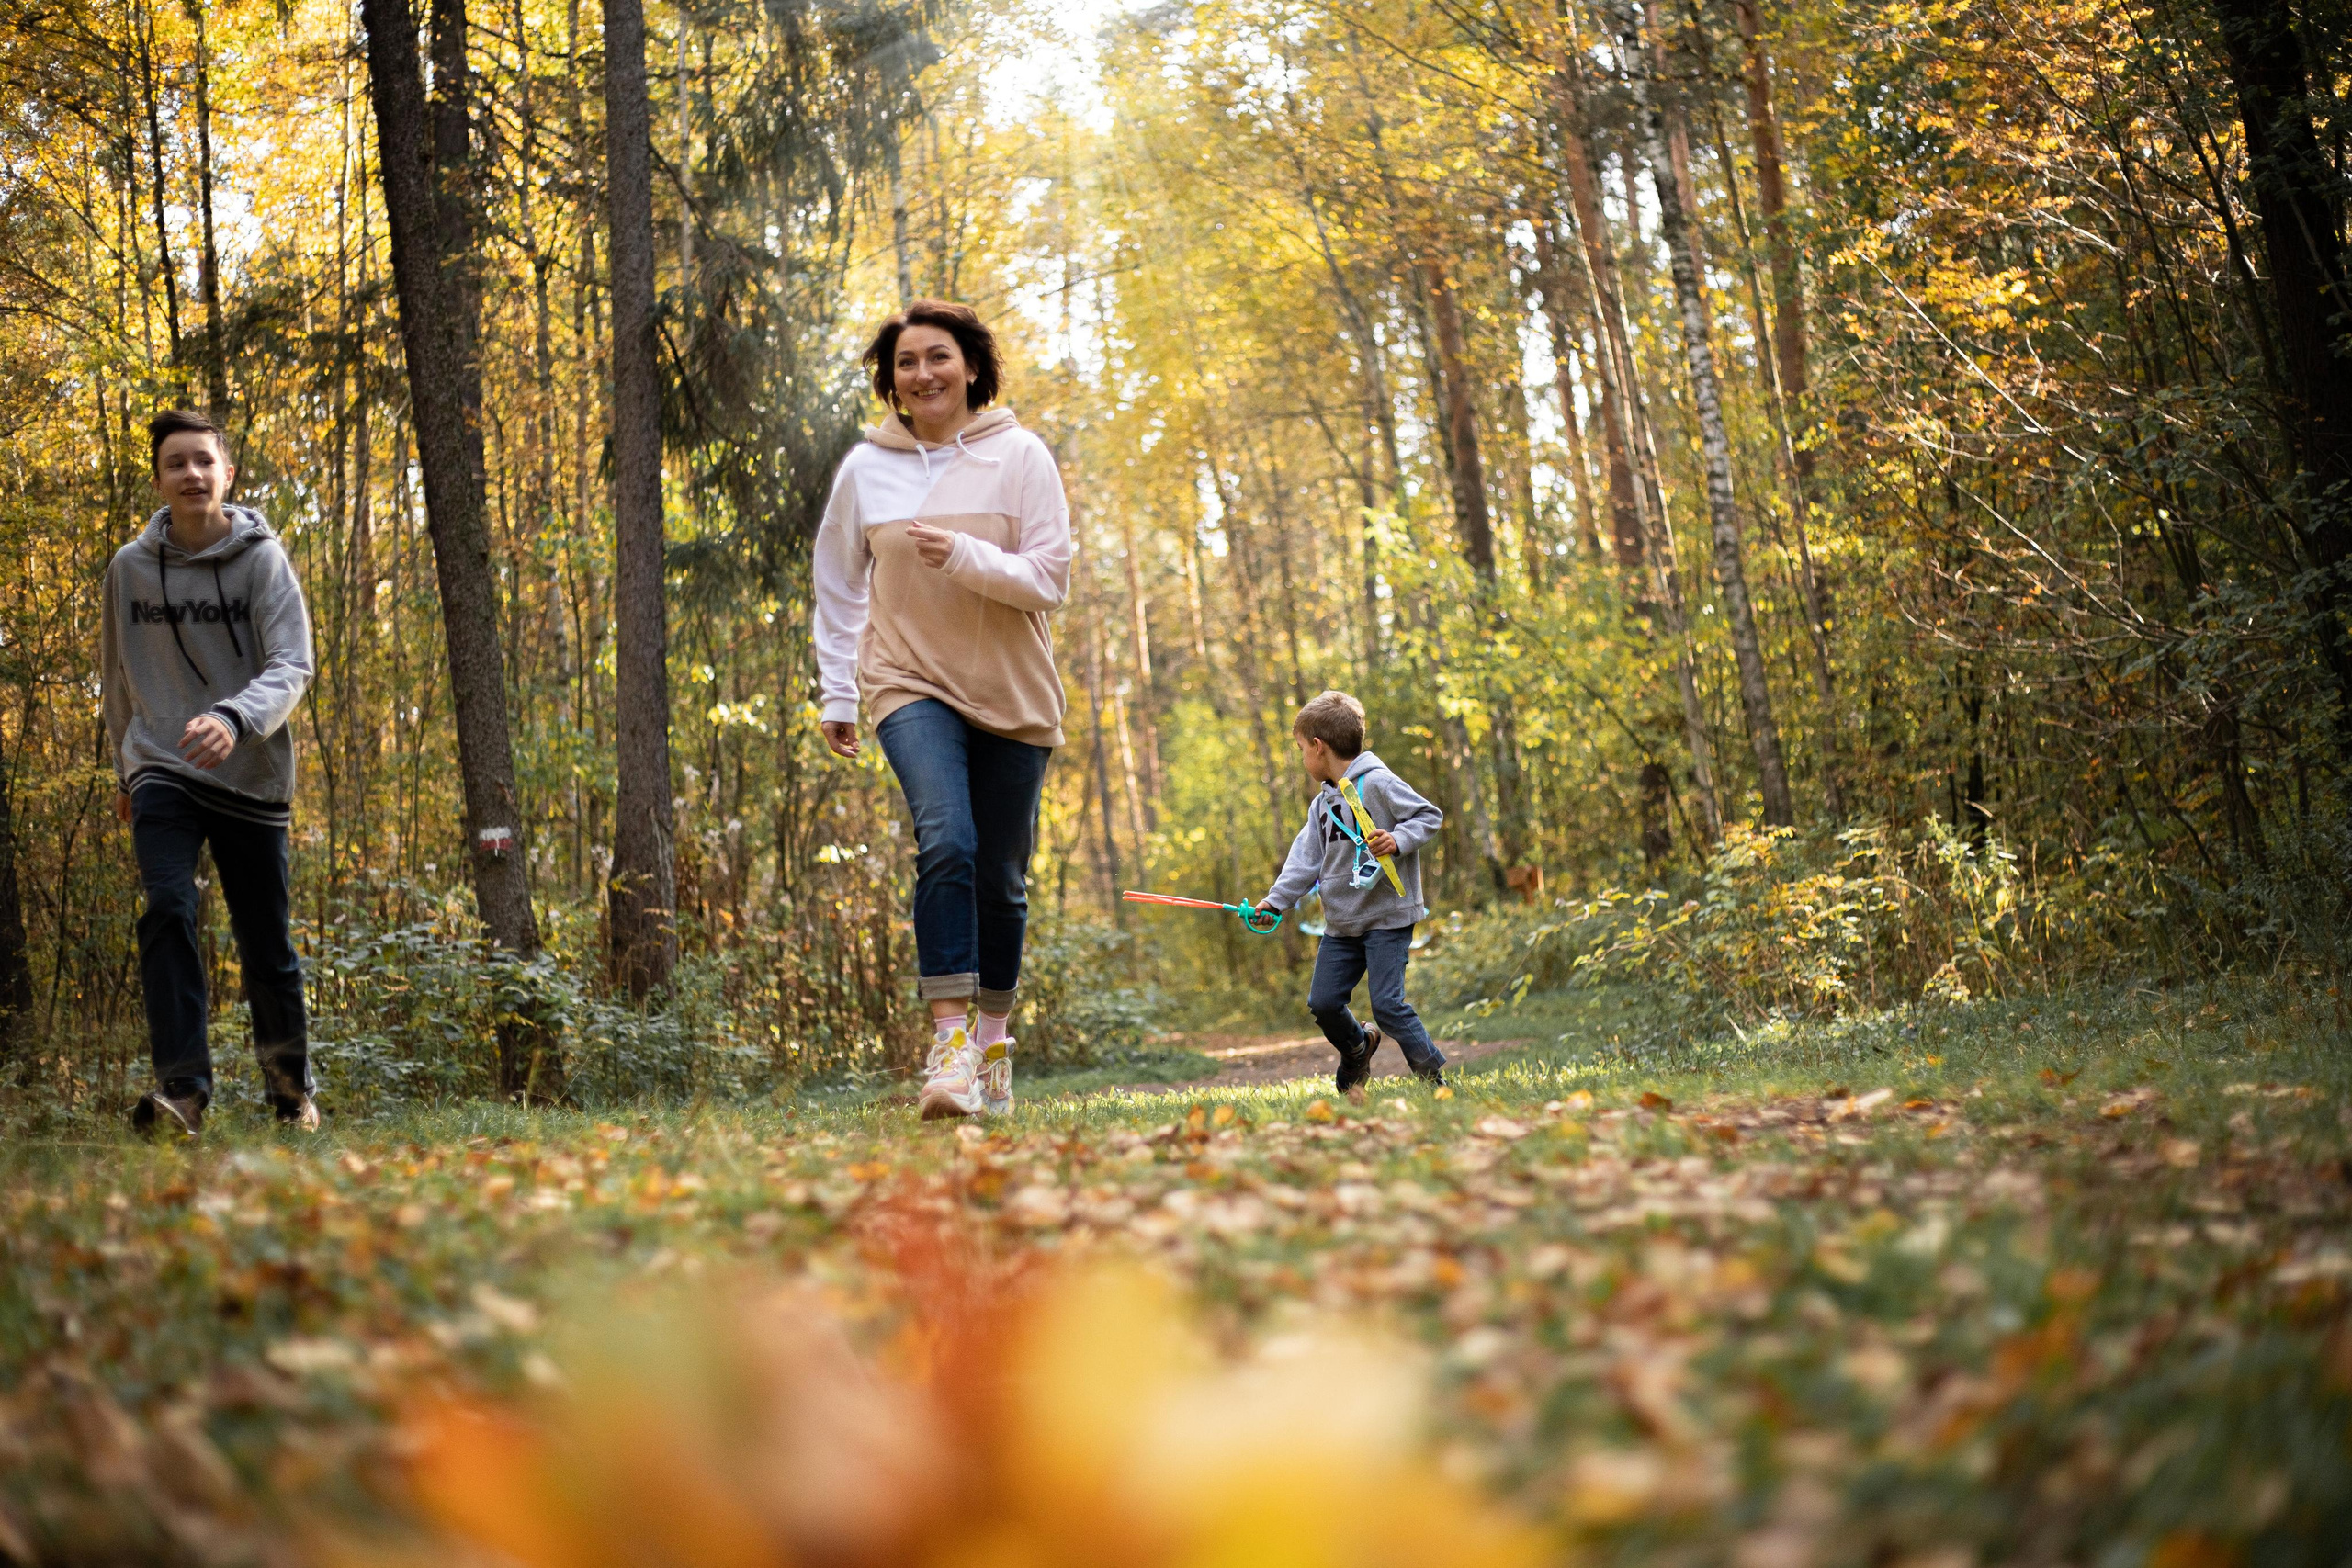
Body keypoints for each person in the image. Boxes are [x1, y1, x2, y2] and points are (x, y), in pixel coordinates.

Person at [811, 301, 1071, 1120]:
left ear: (972, 367)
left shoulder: (1020, 455)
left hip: (1010, 688)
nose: (922, 373)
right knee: (948, 840)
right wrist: (839, 690)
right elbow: (838, 585)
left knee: (1002, 878)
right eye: (906, 362)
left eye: (938, 357)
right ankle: (950, 1046)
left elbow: (1049, 578)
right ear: (889, 381)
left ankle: (992, 1042)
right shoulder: (867, 470)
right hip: (907, 681)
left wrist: (964, 555)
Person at [103, 410, 319, 1135]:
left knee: (266, 942)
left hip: (251, 770)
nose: (192, 473)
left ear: (227, 473)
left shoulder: (263, 561)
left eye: (204, 460)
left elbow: (293, 663)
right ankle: (184, 1096)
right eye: (176, 463)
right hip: (161, 764)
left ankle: (291, 1094)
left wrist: (234, 717)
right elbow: (116, 677)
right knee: (167, 908)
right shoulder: (130, 569)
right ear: (158, 480)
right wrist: (124, 771)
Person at [1256, 691, 1449, 1093]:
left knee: (1388, 1006)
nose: (1302, 759)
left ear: (1318, 746)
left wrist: (1398, 839)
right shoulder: (1322, 805)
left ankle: (1436, 1082)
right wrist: (1276, 901)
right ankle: (1359, 1048)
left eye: (1300, 750)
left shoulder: (1378, 783)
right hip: (1342, 925)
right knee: (1324, 1003)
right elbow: (1304, 859)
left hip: (1387, 918)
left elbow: (1428, 816)